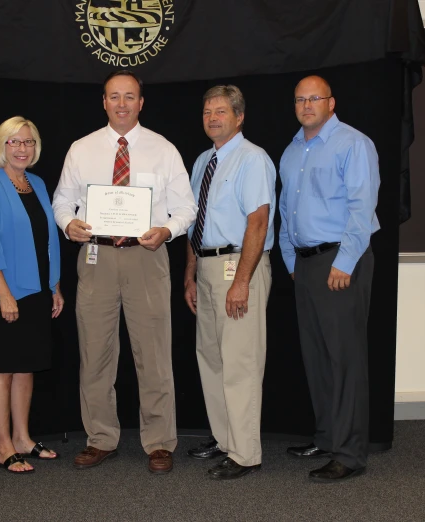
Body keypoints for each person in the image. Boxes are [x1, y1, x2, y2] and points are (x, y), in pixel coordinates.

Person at [52, 70, 196, 474]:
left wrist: (167, 230)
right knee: (95, 353)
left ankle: (160, 442)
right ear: (103, 102)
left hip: (146, 257)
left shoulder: (163, 149)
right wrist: (69, 225)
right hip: (95, 257)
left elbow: (186, 207)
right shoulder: (81, 149)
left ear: (141, 102)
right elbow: (62, 200)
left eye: (129, 97)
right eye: (114, 96)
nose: (121, 104)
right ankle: (100, 437)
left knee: (153, 353)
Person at [278, 75, 380, 482]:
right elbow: (288, 210)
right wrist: (290, 258)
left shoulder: (354, 144)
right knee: (316, 356)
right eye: (300, 99)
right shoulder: (291, 150)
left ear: (331, 103)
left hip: (340, 261)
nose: (306, 105)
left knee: (344, 359)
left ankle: (350, 454)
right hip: (305, 264)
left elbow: (362, 206)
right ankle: (327, 437)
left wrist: (346, 261)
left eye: (314, 98)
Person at [183, 85, 275, 480]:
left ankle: (245, 453)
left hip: (239, 267)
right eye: (207, 112)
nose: (213, 118)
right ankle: (224, 440)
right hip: (205, 268)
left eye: (221, 111)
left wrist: (242, 282)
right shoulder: (204, 160)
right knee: (212, 360)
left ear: (239, 117)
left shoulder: (253, 159)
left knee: (240, 363)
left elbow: (258, 221)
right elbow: (194, 224)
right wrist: (189, 274)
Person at [0, 116, 64, 474]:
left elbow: (48, 240)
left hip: (37, 290)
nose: (22, 148)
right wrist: (4, 295)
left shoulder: (37, 183)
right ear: (1, 147)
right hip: (3, 293)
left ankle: (23, 438)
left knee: (26, 368)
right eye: (14, 142)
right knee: (2, 370)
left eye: (28, 142)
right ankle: (3, 446)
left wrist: (54, 286)